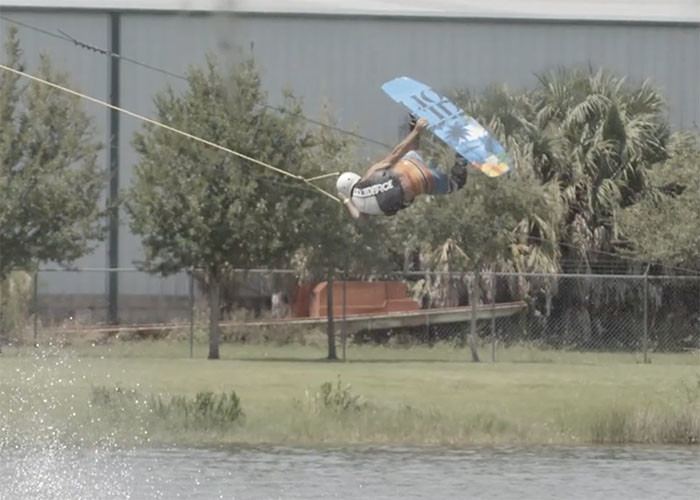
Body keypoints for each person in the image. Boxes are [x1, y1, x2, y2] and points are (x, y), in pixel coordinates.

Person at [336, 116, 468, 219]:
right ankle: (413, 123)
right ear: (355, 178)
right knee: (410, 153)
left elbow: (360, 219)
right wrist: (416, 130)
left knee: (455, 183)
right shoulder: (369, 176)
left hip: (421, 179)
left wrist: (346, 200)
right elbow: (395, 153)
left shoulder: (361, 207)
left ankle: (462, 155)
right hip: (407, 166)